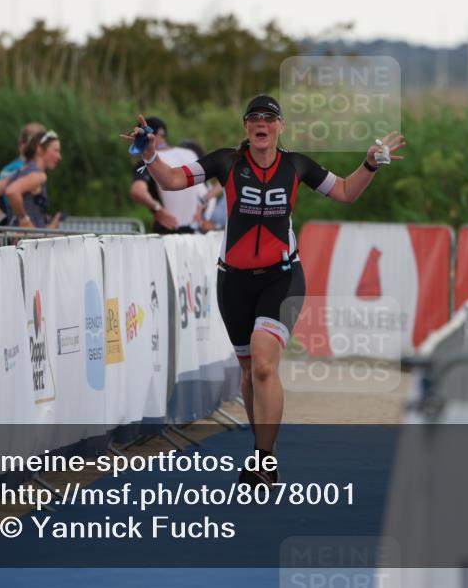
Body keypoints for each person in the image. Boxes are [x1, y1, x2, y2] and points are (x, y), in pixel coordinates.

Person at [122, 94, 405, 485]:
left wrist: (369, 164)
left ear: (280, 127)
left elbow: (344, 192)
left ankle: (264, 460)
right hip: (233, 281)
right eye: (254, 117)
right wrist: (151, 155)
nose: (262, 123)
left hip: (282, 277)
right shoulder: (226, 161)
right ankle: (263, 448)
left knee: (265, 363)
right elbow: (171, 180)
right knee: (249, 372)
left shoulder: (297, 165)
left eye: (269, 118)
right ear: (246, 127)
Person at [129, 117, 208, 234]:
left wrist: (157, 210)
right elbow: (205, 192)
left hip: (169, 230)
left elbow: (138, 191)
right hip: (196, 232)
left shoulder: (150, 161)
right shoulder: (190, 154)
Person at [0, 129, 62, 229]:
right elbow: (12, 191)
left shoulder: (20, 173)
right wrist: (23, 219)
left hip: (18, 235)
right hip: (26, 237)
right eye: (56, 150)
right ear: (39, 149)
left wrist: (3, 218)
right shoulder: (39, 175)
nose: (59, 157)